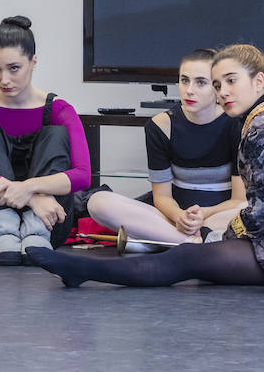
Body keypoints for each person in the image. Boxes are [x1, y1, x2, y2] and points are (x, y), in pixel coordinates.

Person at [27, 44, 264, 288]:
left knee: (187, 259)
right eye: (218, 84)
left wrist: (210, 234)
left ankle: (83, 270)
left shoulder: (262, 130)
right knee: (185, 253)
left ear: (258, 82)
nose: (223, 92)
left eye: (231, 81)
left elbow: (260, 213)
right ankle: (86, 268)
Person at [0, 16, 92, 265]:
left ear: (33, 61)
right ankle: (4, 226)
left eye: (13, 68)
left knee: (56, 134)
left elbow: (82, 175)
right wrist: (33, 197)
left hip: (46, 226)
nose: (3, 79)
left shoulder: (60, 110)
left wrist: (27, 188)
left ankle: (33, 229)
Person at [84, 48, 245, 245]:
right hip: (171, 219)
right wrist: (179, 216)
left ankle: (165, 243)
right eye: (184, 80)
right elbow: (162, 197)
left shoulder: (237, 124)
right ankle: (193, 244)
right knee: (98, 202)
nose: (189, 90)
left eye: (200, 82)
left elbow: (239, 200)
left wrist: (204, 214)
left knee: (255, 209)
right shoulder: (160, 126)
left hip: (219, 217)